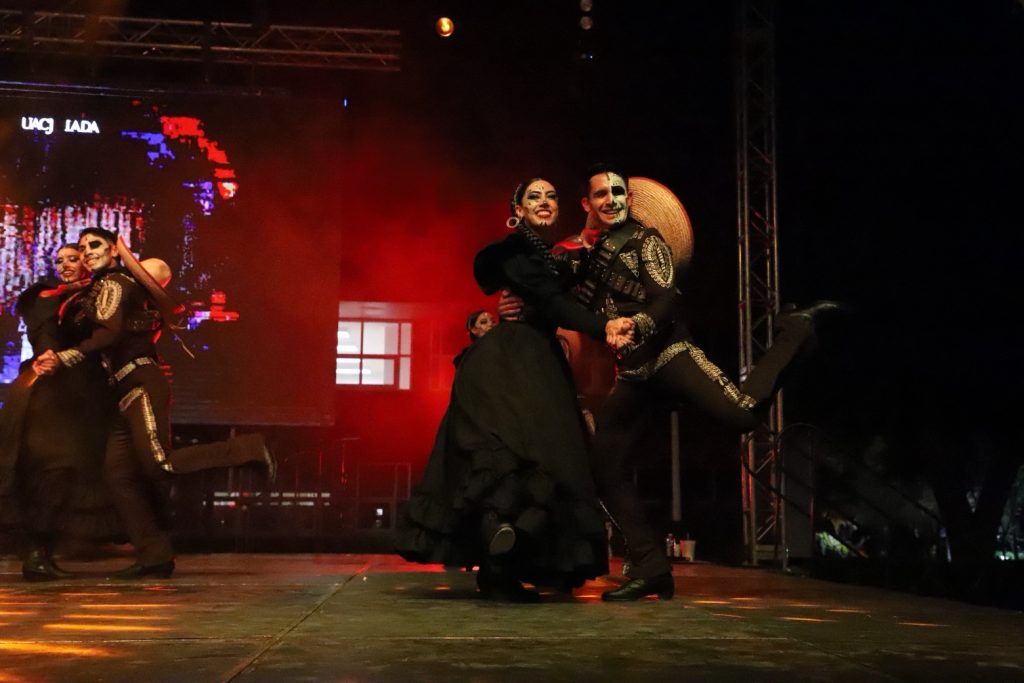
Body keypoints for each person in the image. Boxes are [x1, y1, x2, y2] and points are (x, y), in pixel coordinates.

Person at [567, 164, 840, 601]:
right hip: (634, 373)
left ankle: (795, 331)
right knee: (604, 466)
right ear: (588, 203)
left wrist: (636, 324)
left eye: (618, 192)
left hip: (670, 355)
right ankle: (652, 568)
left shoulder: (646, 241)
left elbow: (666, 300)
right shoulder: (584, 255)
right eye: (601, 194)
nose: (611, 200)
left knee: (743, 415)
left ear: (629, 199)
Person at [396, 178, 634, 601]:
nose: (544, 201)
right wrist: (604, 326)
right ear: (518, 210)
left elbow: (559, 297)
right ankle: (499, 568)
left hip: (535, 360)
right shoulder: (517, 253)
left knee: (538, 461)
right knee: (511, 459)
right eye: (533, 196)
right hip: (509, 364)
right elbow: (555, 303)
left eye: (551, 196)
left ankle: (508, 566)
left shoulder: (553, 256)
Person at [35, 227, 275, 579]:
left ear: (114, 251)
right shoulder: (103, 287)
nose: (86, 252)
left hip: (140, 381)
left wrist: (64, 356)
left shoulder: (116, 282)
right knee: (118, 476)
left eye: (94, 245)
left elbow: (110, 333)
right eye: (82, 248)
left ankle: (247, 448)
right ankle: (155, 555)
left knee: (160, 462)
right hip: (124, 389)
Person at [0, 244, 119, 580]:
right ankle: (36, 553)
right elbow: (45, 337)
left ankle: (41, 552)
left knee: (66, 471)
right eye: (60, 260)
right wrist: (49, 357)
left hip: (77, 394)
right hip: (49, 392)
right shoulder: (48, 297)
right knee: (50, 468)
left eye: (73, 258)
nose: (65, 265)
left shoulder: (94, 295)